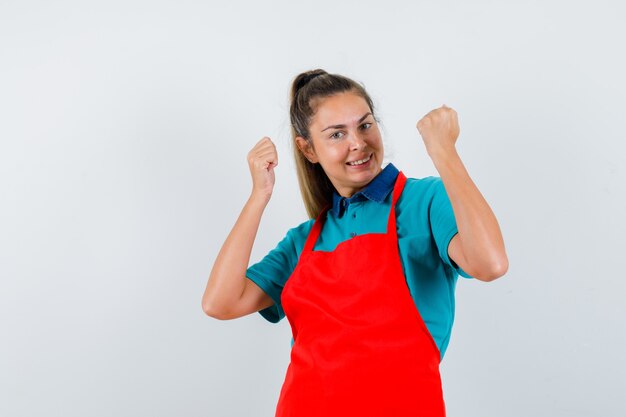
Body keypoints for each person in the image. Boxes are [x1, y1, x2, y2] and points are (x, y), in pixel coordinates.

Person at [202, 69, 508, 416]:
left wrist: (444, 152)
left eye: (365, 125)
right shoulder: (302, 241)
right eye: (336, 134)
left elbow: (489, 264)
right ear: (308, 150)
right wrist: (259, 195)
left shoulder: (424, 201)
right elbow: (220, 303)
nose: (358, 143)